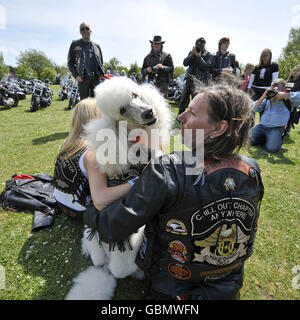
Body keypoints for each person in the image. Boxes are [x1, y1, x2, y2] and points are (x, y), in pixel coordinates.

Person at [84, 83, 264, 300]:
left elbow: (113, 226)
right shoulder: (252, 168)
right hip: (227, 284)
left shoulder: (167, 169)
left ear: (218, 128)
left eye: (193, 112)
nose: (180, 116)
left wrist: (90, 212)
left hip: (173, 288)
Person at [53, 98, 139, 219]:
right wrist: (135, 182)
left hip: (60, 201)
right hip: (79, 209)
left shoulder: (68, 143)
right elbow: (100, 201)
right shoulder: (93, 152)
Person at [250, 78, 300, 152]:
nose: (273, 92)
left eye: (277, 89)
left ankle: (267, 139)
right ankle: (265, 139)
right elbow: (255, 109)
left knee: (272, 149)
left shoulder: (288, 100)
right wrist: (263, 96)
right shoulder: (267, 99)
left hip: (276, 129)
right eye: (272, 89)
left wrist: (284, 95)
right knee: (246, 140)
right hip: (261, 126)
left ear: (283, 89)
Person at [67, 22, 105, 100]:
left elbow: (101, 62)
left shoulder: (97, 46)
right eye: (82, 29)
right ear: (80, 31)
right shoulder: (75, 44)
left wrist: (101, 73)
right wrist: (76, 76)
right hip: (83, 79)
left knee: (97, 103)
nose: (85, 30)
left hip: (96, 79)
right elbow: (70, 62)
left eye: (87, 28)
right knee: (84, 104)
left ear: (90, 31)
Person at [177, 37, 213, 116]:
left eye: (201, 45)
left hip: (199, 82)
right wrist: (192, 55)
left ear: (204, 45)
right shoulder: (192, 52)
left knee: (195, 101)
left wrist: (199, 57)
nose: (199, 47)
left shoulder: (208, 55)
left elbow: (205, 67)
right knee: (183, 99)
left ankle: (194, 118)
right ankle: (180, 116)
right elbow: (185, 63)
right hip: (189, 79)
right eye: (197, 44)